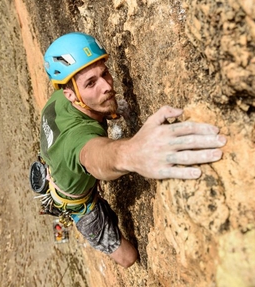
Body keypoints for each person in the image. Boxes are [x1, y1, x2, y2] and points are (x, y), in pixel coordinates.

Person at [38, 32, 226, 268]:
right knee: (128, 258)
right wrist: (130, 154)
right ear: (71, 95)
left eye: (104, 73)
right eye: (91, 83)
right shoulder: (76, 139)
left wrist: (112, 110)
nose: (106, 86)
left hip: (55, 164)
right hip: (76, 202)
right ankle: (77, 226)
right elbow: (94, 156)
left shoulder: (59, 97)